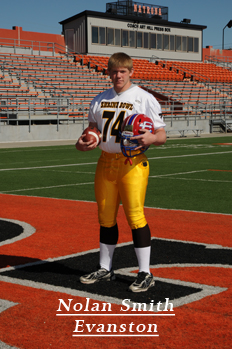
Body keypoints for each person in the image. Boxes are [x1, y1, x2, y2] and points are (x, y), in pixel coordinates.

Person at [76, 52, 166, 292]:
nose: (118, 75)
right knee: (105, 218)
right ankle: (105, 268)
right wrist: (84, 141)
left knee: (135, 217)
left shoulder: (143, 97)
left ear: (131, 72)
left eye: (123, 71)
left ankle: (145, 273)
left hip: (132, 163)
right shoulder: (99, 99)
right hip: (105, 162)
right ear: (108, 72)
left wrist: (152, 137)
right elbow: (92, 129)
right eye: (114, 71)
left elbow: (162, 135)